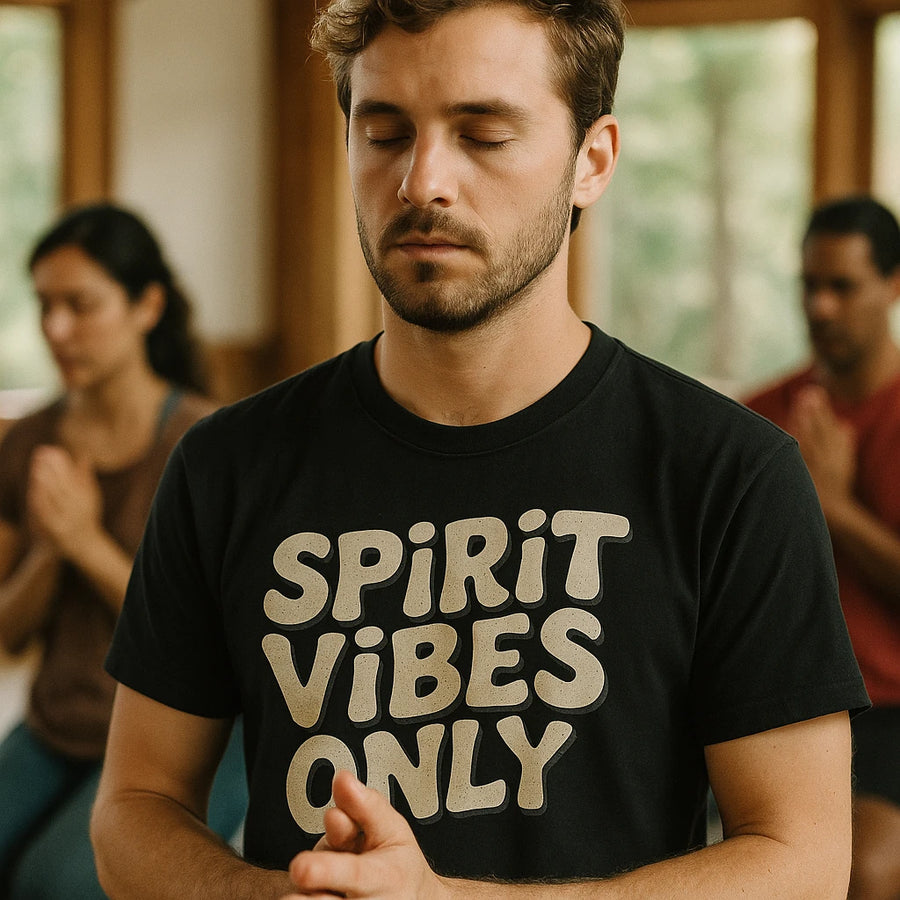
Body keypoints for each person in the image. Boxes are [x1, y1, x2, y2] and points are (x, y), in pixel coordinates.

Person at [91, 3, 869, 898]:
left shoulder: (729, 475)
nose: (422, 181)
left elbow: (805, 861)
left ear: (593, 161)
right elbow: (133, 810)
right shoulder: (225, 465)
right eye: (384, 133)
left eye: (484, 135)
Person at [0, 203, 247, 899]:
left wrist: (85, 541)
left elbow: (218, 647)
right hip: (62, 724)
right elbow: (7, 632)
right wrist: (52, 549)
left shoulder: (210, 444)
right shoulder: (30, 443)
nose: (55, 329)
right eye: (45, 305)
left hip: (194, 740)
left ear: (147, 307)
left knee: (50, 886)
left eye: (80, 305)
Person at [745, 195, 900, 899]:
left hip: (887, 709)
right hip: (775, 704)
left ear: (892, 285)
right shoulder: (758, 421)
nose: (821, 307)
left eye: (843, 286)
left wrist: (833, 505)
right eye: (809, 285)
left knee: (863, 871)